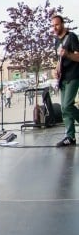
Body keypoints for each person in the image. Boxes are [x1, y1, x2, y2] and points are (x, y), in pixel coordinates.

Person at [51, 13, 79, 147]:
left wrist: (68, 54)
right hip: (63, 78)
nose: (54, 28)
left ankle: (70, 135)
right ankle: (70, 137)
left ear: (62, 24)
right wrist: (56, 71)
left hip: (74, 76)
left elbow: (78, 57)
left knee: (67, 106)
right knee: (64, 109)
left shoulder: (71, 37)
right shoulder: (57, 41)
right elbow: (59, 60)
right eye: (53, 25)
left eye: (56, 24)